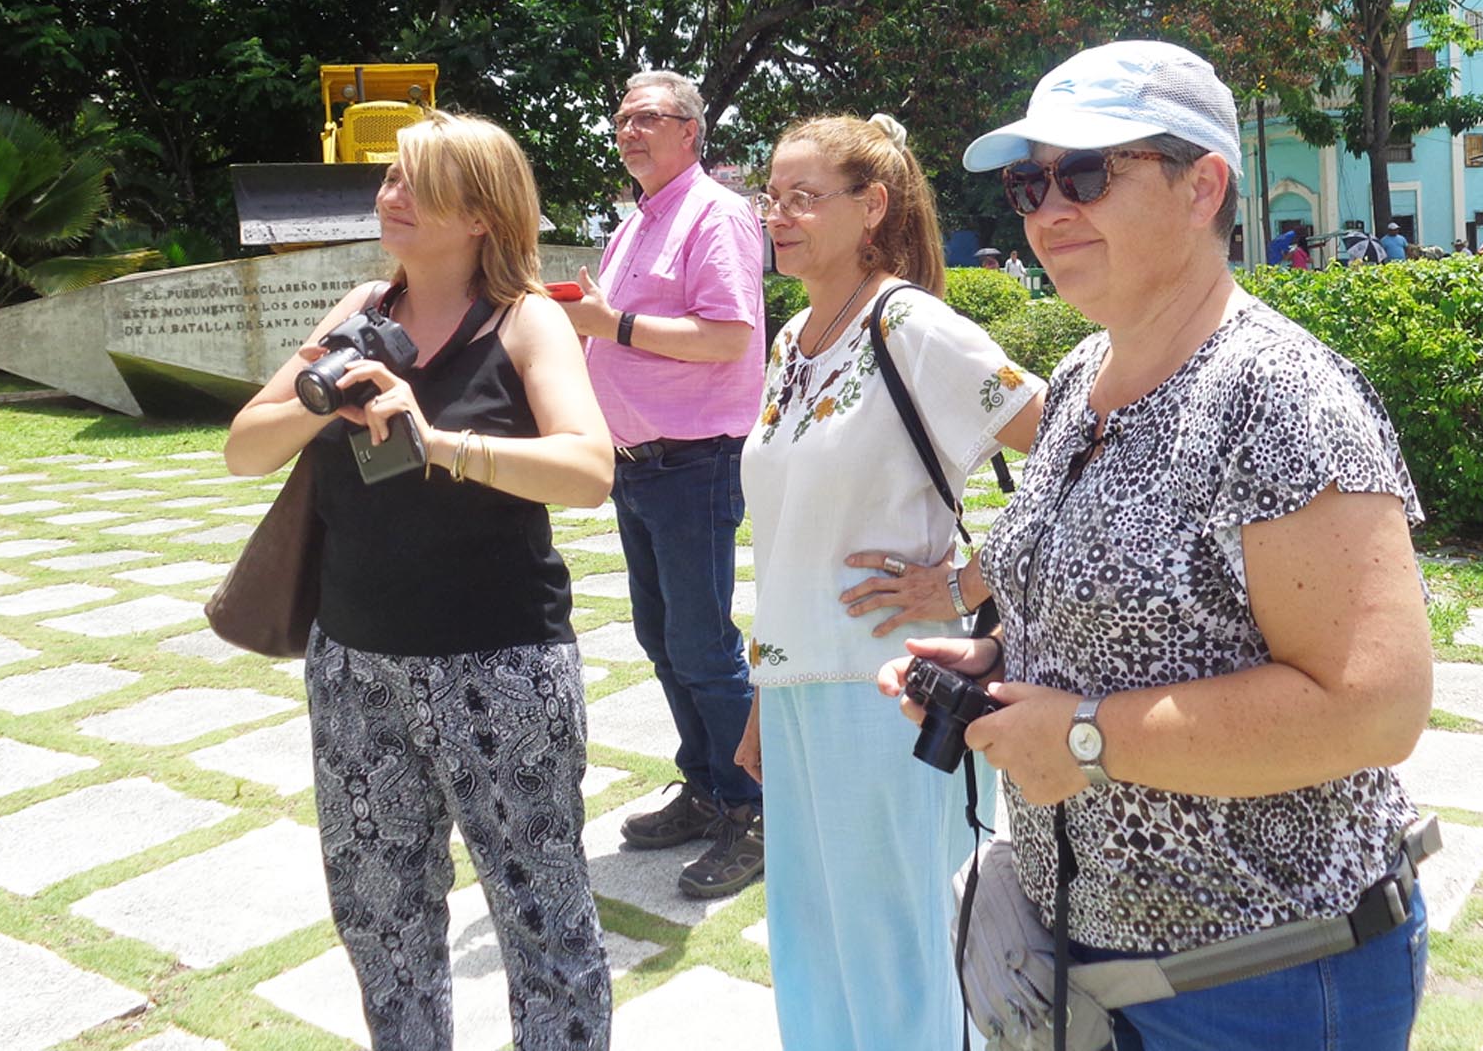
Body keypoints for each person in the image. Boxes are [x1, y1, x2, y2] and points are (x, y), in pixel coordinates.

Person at [881, 40, 1435, 1051]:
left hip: (1265, 979)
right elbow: (1136, 620)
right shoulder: (1080, 376)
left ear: (1201, 187)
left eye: (1087, 174)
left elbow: (1374, 707)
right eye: (1029, 183)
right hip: (1087, 965)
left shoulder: (1277, 396)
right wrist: (1000, 664)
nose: (1048, 210)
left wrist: (1085, 738)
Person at [225, 111, 615, 1051]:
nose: (388, 195)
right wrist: (323, 398)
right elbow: (244, 448)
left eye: (415, 182)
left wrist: (435, 441)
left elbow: (589, 470)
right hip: (355, 663)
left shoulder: (525, 321)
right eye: (391, 177)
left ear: (480, 212)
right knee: (380, 915)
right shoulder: (363, 308)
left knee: (542, 916)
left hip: (500, 666)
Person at [737, 112, 1044, 1051]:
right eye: (771, 197)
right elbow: (787, 537)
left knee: (904, 944)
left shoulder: (909, 323)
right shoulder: (793, 337)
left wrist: (968, 582)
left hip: (891, 691)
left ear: (871, 206)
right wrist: (762, 700)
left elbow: (1076, 447)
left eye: (803, 197)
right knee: (814, 938)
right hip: (798, 692)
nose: (778, 216)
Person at [560, 69, 767, 898]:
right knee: (660, 636)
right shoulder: (638, 220)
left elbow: (727, 337)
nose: (628, 131)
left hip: (693, 462)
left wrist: (608, 323)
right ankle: (708, 786)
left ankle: (755, 807)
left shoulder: (715, 212)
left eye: (646, 117)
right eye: (620, 120)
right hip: (636, 464)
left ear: (690, 130)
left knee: (703, 645)